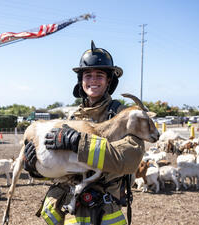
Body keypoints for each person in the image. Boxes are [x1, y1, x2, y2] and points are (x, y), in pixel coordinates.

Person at [24, 41, 145, 225]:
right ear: (81, 81)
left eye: (99, 75)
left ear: (109, 81)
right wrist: (35, 167)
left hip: (104, 209)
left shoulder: (125, 117)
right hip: (70, 209)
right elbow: (61, 167)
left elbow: (130, 159)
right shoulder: (71, 119)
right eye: (88, 75)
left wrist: (79, 142)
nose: (93, 80)